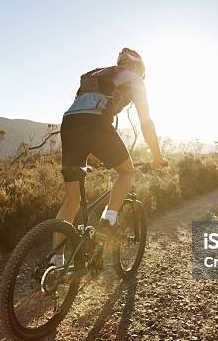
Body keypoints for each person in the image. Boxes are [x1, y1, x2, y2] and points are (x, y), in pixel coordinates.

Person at [50, 48, 166, 267]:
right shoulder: (135, 79)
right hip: (96, 125)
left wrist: (91, 151)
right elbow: (146, 122)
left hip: (69, 124)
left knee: (72, 200)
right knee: (127, 171)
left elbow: (82, 110)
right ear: (138, 69)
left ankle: (56, 262)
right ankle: (108, 220)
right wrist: (157, 156)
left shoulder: (97, 75)